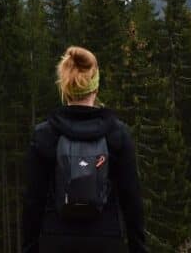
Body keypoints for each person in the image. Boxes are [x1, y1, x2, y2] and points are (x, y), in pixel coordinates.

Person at [23, 46, 147, 253]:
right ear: (95, 87)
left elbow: (32, 203)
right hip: (107, 241)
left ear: (64, 88)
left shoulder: (44, 135)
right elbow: (132, 203)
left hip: (55, 241)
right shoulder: (118, 134)